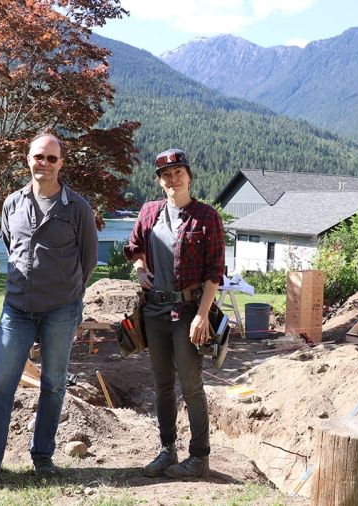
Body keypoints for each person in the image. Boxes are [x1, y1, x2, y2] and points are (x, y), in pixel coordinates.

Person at [0, 132, 98, 490]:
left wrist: (70, 296)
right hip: (16, 310)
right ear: (28, 159)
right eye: (39, 157)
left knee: (52, 384)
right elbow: (11, 245)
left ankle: (43, 457)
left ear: (61, 164)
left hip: (61, 311)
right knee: (0, 384)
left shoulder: (77, 208)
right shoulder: (12, 204)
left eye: (52, 158)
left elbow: (89, 260)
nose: (44, 164)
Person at [124, 148, 225, 479]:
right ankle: (167, 450)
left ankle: (199, 457)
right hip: (153, 310)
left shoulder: (207, 217)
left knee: (191, 384)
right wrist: (140, 269)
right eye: (166, 175)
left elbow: (214, 272)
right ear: (159, 181)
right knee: (162, 383)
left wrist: (202, 316)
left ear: (189, 176)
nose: (173, 178)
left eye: (178, 172)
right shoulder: (149, 212)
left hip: (187, 311)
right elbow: (135, 246)